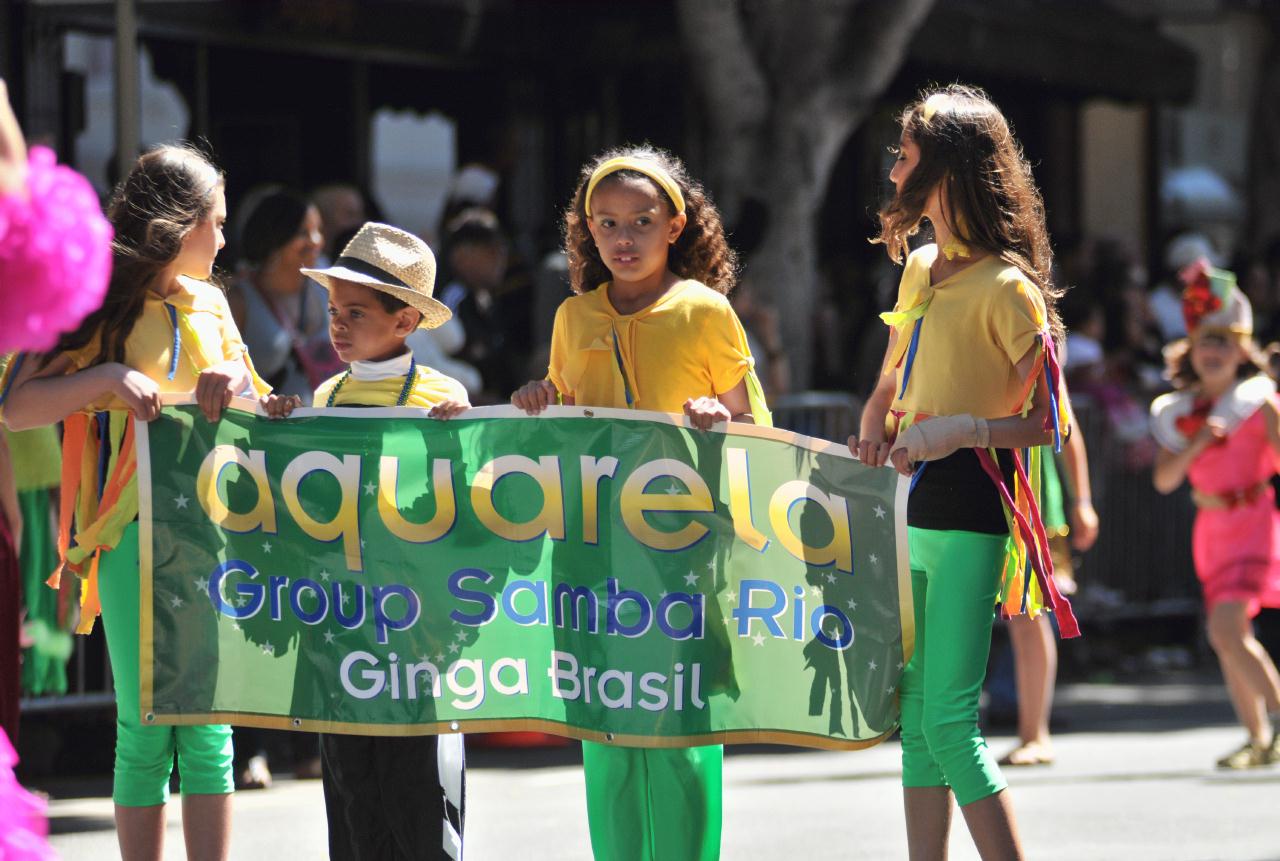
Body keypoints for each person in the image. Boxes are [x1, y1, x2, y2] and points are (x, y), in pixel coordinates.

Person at [1, 143, 270, 861]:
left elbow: (264, 404)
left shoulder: (214, 302)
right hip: (129, 537)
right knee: (145, 724)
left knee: (212, 729)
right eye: (214, 221)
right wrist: (108, 377)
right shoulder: (96, 306)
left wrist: (235, 388)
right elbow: (17, 407)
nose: (222, 237)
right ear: (180, 228)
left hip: (214, 537)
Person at [512, 145, 770, 861]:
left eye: (641, 221)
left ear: (676, 224)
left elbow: (759, 432)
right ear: (587, 232)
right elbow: (562, 424)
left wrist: (723, 424)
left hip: (680, 559)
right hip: (591, 558)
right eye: (607, 223)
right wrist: (540, 400)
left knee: (682, 734)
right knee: (607, 732)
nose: (623, 239)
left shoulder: (707, 312)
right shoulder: (573, 316)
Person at [850, 85, 1078, 860]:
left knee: (947, 719)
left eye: (905, 158)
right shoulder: (918, 269)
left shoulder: (1011, 287)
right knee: (916, 717)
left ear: (945, 169)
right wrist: (875, 418)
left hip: (974, 503)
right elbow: (891, 378)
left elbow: (1049, 421)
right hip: (909, 503)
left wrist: (966, 430)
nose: (892, 174)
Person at [279, 221, 469, 860]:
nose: (337, 325)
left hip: (416, 633)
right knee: (353, 796)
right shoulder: (325, 396)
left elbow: (470, 513)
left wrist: (461, 441)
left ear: (405, 320)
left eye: (355, 312)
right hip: (343, 627)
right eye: (333, 310)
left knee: (417, 797)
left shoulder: (446, 398)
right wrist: (278, 427)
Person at [1150, 257, 1280, 769]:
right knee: (1230, 638)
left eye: (1224, 341)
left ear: (1241, 350)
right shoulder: (1181, 413)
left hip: (1255, 525)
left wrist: (1272, 409)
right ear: (1192, 349)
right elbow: (1164, 480)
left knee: (1225, 630)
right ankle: (1258, 738)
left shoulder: (1258, 402)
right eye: (1206, 340)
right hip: (1212, 532)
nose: (1213, 351)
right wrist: (1200, 440)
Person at [998, 395, 1099, 767]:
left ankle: (1034, 734)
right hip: (973, 488)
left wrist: (1082, 500)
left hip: (1031, 495)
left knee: (1028, 613)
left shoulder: (1039, 337)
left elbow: (1066, 425)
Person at [227, 186, 341, 400]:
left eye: (318, 230)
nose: (316, 241)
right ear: (275, 237)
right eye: (303, 233)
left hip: (324, 425)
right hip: (265, 427)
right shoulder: (239, 300)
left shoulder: (328, 290)